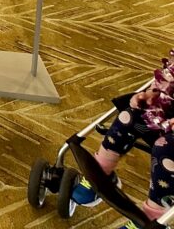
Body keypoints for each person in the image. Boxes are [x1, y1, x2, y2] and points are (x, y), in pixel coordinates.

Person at [68, 48, 173, 226]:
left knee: (165, 150)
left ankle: (152, 217)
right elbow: (167, 81)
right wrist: (149, 95)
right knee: (129, 116)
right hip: (164, 117)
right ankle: (101, 171)